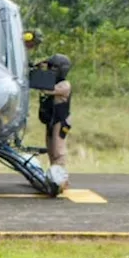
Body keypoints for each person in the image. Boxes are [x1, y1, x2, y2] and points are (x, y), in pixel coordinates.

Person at [37, 53, 73, 191]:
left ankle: (62, 180)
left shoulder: (64, 85)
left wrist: (40, 74)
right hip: (52, 119)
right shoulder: (56, 83)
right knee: (51, 150)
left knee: (58, 150)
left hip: (60, 120)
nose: (51, 70)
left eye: (54, 68)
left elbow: (46, 89)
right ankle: (54, 178)